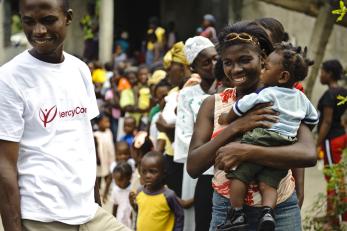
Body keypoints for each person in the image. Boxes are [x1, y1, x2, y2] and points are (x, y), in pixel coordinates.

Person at [0, 0, 130, 230]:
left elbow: (83, 140)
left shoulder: (79, 69)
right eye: (29, 22)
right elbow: (4, 164)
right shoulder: (9, 78)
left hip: (88, 213)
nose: (38, 31)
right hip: (43, 216)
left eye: (48, 20)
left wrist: (95, 202)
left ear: (68, 18)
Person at [187, 21, 317, 231]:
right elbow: (193, 166)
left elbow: (308, 153)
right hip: (227, 212)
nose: (235, 69)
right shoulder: (213, 104)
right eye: (228, 62)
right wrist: (236, 126)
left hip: (280, 209)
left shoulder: (286, 99)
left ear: (263, 58)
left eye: (245, 60)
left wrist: (246, 151)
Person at [217, 43, 318, 230]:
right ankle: (268, 213)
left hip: (262, 136)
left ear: (282, 76)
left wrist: (226, 117)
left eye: (266, 68)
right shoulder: (301, 98)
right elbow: (313, 118)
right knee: (268, 183)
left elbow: (242, 106)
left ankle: (236, 214)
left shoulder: (267, 92)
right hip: (284, 144)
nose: (262, 71)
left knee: (240, 176)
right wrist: (295, 127)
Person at [174, 35, 218, 231]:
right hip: (201, 169)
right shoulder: (187, 95)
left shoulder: (232, 87)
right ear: (194, 68)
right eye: (206, 62)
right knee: (201, 221)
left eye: (215, 58)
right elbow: (184, 136)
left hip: (229, 166)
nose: (213, 65)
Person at [316, 59, 347, 226]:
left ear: (329, 74)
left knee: (333, 179)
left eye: (322, 72)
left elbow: (326, 122)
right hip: (341, 136)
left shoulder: (329, 95)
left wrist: (316, 144)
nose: (321, 75)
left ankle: (334, 219)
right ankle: (335, 215)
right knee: (338, 178)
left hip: (331, 140)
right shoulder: (343, 91)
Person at [131, 151, 184, 231]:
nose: (147, 176)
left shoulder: (168, 195)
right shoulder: (140, 191)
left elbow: (180, 215)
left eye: (153, 171)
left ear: (163, 173)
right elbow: (140, 213)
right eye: (144, 171)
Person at [94, 114, 115, 188]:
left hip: (108, 158)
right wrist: (97, 159)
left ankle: (107, 191)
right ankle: (98, 191)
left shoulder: (109, 132)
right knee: (99, 175)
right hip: (101, 159)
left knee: (108, 174)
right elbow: (96, 148)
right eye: (105, 121)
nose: (107, 122)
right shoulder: (96, 135)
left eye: (108, 121)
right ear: (99, 123)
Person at [111, 162, 133, 229]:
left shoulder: (133, 189)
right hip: (120, 219)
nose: (117, 183)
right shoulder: (115, 190)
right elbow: (115, 205)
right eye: (115, 180)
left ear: (129, 177)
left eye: (120, 180)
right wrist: (113, 220)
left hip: (131, 221)